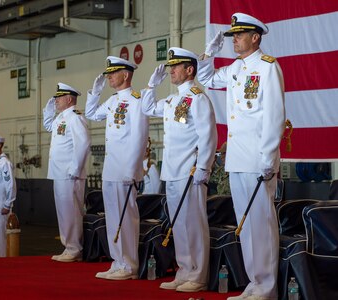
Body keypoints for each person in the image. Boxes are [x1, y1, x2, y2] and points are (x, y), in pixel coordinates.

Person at [197, 13, 285, 300]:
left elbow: (274, 116)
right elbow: (207, 78)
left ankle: (267, 286)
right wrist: (208, 54)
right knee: (245, 225)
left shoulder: (268, 67)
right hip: (237, 159)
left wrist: (268, 157)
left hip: (258, 159)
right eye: (233, 35)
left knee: (261, 224)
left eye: (240, 34)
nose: (234, 39)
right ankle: (254, 283)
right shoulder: (235, 68)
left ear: (255, 37)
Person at [142, 47, 217, 292]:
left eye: (175, 67)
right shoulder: (173, 100)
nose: (171, 70)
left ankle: (198, 275)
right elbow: (147, 109)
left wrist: (204, 168)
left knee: (193, 224)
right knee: (178, 223)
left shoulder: (198, 97)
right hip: (172, 171)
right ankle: (184, 270)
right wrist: (151, 87)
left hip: (190, 171)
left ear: (189, 70)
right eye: (170, 66)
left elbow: (208, 136)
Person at [85, 56, 149, 280]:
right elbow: (91, 115)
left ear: (126, 74)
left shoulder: (136, 100)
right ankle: (117, 260)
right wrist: (94, 94)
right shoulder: (112, 101)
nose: (109, 76)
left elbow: (140, 137)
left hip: (125, 169)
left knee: (126, 216)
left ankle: (129, 265)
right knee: (113, 216)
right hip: (111, 168)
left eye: (113, 72)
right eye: (108, 73)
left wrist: (133, 169)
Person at [43, 82, 90, 262]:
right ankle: (69, 246)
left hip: (70, 173)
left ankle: (74, 247)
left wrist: (75, 168)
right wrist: (49, 108)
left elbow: (83, 143)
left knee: (71, 211)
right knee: (64, 211)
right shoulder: (60, 118)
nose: (56, 100)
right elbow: (48, 125)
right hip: (59, 172)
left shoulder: (75, 117)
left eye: (59, 97)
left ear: (69, 99)